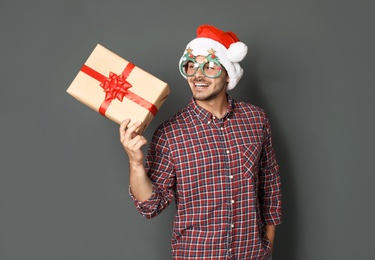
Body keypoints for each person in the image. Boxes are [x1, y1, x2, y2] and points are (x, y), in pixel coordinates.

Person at [119, 24, 282, 260]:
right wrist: (135, 163)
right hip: (197, 254)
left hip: (251, 254)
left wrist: (267, 245)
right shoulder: (170, 133)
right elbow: (150, 206)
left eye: (210, 66)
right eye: (191, 65)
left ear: (227, 73)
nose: (198, 74)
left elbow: (269, 182)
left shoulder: (256, 119)